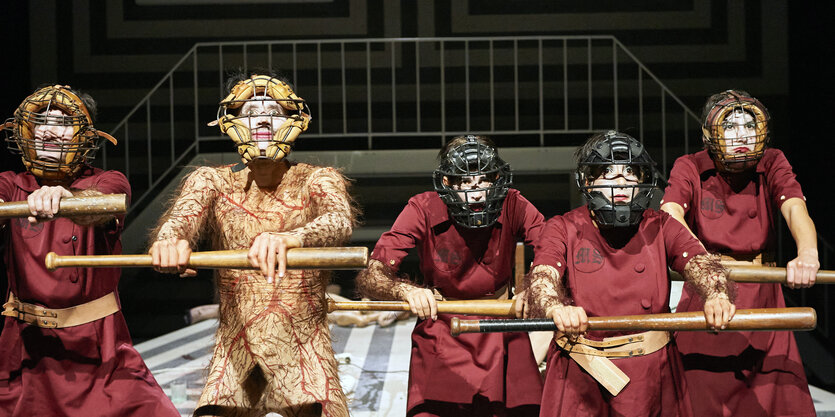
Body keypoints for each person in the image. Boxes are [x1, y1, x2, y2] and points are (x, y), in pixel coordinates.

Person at [150, 71, 354, 417]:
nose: (261, 118)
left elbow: (339, 220)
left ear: (293, 121)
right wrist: (169, 241)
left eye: (274, 111)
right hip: (236, 347)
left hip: (303, 346)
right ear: (231, 122)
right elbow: (180, 220)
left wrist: (291, 237)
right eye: (250, 111)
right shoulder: (210, 180)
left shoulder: (317, 178)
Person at [526, 130, 736, 417]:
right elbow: (543, 276)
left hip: (650, 374)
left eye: (630, 173)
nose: (621, 182)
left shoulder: (661, 225)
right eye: (608, 173)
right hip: (581, 372)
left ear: (642, 182)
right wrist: (556, 308)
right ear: (587, 182)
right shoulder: (563, 226)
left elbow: (701, 263)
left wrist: (716, 294)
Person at [0, 85, 179, 416]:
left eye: (64, 122)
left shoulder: (109, 181)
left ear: (85, 135)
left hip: (98, 346)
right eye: (42, 120)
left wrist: (65, 199)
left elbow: (101, 206)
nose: (50, 130)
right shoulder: (10, 183)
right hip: (24, 347)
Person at [356, 135, 544, 417]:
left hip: (502, 323)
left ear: (497, 178)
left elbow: (554, 249)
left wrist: (538, 285)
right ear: (447, 183)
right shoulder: (422, 207)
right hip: (442, 326)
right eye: (466, 183)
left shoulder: (513, 202)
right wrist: (407, 291)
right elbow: (374, 273)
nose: (477, 192)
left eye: (484, 181)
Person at [661, 90, 817, 416]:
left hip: (763, 294)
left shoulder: (772, 160)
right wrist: (703, 265)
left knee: (780, 396)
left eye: (749, 125)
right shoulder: (690, 165)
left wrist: (808, 253)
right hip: (707, 288)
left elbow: (794, 208)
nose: (742, 135)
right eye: (730, 126)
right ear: (711, 133)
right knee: (700, 394)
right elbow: (671, 214)